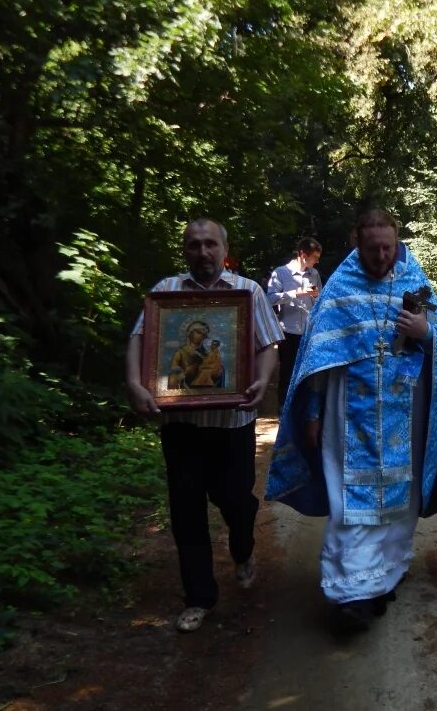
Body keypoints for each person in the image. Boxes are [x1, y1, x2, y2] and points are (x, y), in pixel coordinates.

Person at [265, 209, 437, 632]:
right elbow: (317, 358)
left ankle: (384, 576)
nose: (382, 255)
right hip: (347, 414)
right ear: (357, 243)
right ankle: (350, 595)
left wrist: (426, 331)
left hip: (405, 415)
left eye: (389, 247)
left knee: (400, 501)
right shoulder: (339, 287)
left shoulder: (414, 282)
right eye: (373, 249)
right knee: (352, 501)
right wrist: (311, 411)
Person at [125, 218, 281, 633]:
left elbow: (268, 347)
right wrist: (135, 384)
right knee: (186, 510)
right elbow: (140, 340)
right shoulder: (165, 293)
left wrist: (263, 380)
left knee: (236, 501)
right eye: (194, 245)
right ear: (185, 250)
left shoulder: (247, 292)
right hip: (181, 424)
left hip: (233, 423)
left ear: (223, 249)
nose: (202, 252)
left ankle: (243, 549)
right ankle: (199, 596)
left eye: (210, 244)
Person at [266, 237, 323, 407]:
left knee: (307, 374)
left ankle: (304, 410)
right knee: (287, 374)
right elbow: (270, 298)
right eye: (315, 257)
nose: (317, 261)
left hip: (308, 332)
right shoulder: (281, 273)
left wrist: (317, 297)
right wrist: (296, 293)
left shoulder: (315, 274)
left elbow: (319, 298)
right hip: (288, 332)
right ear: (303, 255)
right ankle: (284, 412)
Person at [168, 320, 210, 389]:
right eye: (198, 332)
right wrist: (185, 372)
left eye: (204, 334)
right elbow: (173, 375)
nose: (201, 336)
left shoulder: (207, 354)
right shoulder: (180, 353)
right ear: (190, 333)